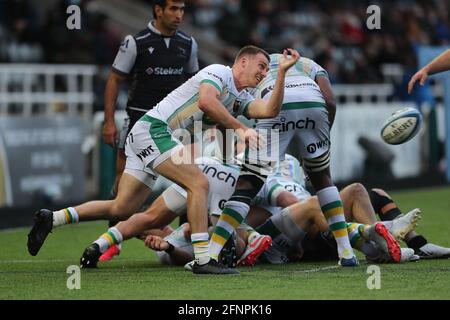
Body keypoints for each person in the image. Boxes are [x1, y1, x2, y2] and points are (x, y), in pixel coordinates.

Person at [27, 46, 300, 275]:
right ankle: (204, 259)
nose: (264, 73)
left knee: (122, 207)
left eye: (267, 70)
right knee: (199, 184)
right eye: (261, 66)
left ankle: (54, 218)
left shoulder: (238, 98)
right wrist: (241, 129)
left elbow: (267, 110)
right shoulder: (219, 73)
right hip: (156, 131)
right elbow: (206, 102)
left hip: (145, 134)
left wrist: (283, 74)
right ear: (242, 61)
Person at [208, 53, 359, 272]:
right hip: (313, 105)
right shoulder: (307, 63)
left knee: (247, 186)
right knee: (323, 179)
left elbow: (226, 115)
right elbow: (330, 101)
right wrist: (321, 139)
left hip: (276, 106)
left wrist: (225, 152)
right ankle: (346, 252)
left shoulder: (253, 70)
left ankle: (211, 254)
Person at [102, 0, 199, 208]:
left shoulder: (189, 43)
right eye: (173, 9)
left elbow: (196, 85)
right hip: (139, 120)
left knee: (190, 180)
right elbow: (114, 80)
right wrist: (108, 122)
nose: (179, 15)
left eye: (182, 9)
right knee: (122, 182)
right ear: (158, 10)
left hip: (174, 123)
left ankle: (183, 237)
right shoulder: (135, 42)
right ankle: (113, 237)